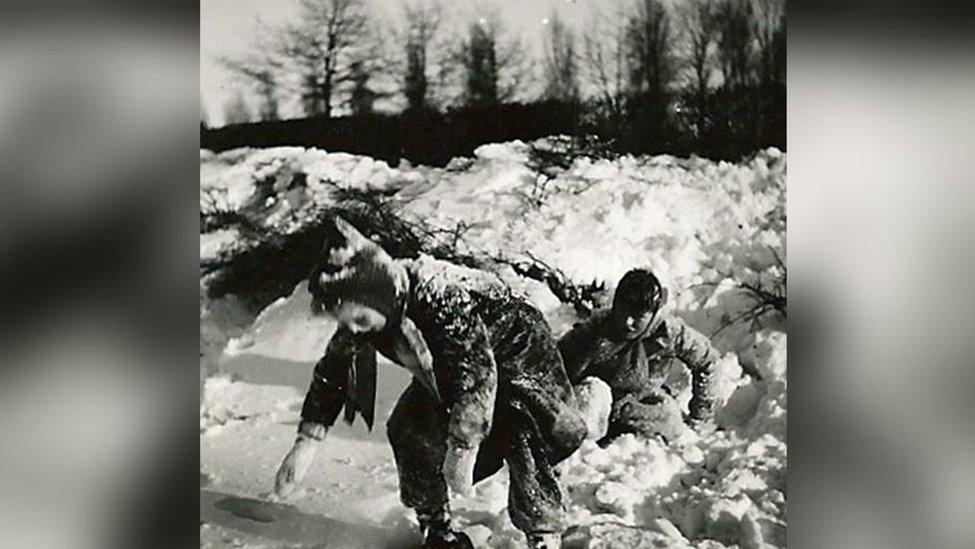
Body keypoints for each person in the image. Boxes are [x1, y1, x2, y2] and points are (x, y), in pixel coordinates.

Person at [273, 217, 587, 549]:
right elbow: (333, 370)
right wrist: (306, 443)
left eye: (361, 319)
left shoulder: (440, 297)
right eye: (347, 321)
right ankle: (437, 527)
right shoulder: (366, 313)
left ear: (383, 297)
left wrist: (463, 448)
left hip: (518, 353)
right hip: (451, 368)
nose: (355, 329)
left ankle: (543, 530)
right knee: (409, 426)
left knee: (522, 428)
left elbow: (476, 373)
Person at [558, 268, 720, 445]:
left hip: (641, 406)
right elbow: (557, 361)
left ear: (652, 314)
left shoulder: (669, 332)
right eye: (623, 311)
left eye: (638, 316)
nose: (628, 322)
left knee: (671, 421)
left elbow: (708, 361)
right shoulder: (598, 327)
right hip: (598, 406)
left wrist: (700, 417)